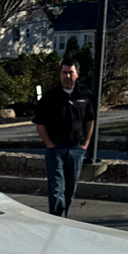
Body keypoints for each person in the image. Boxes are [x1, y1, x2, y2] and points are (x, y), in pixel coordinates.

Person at [34, 58, 96, 217]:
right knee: (56, 189)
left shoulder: (85, 94)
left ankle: (64, 219)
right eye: (64, 73)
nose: (67, 76)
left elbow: (90, 120)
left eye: (71, 73)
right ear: (60, 74)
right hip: (56, 149)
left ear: (77, 74)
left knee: (70, 189)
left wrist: (85, 144)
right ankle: (57, 221)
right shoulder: (50, 97)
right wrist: (49, 144)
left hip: (76, 149)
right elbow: (40, 123)